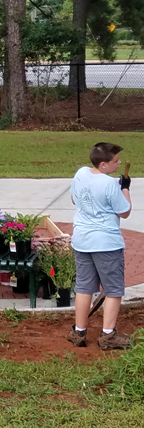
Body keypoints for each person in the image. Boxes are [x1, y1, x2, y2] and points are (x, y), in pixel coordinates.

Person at [67, 142, 133, 350]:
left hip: (82, 240)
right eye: (115, 161)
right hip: (106, 243)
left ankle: (79, 331)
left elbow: (74, 199)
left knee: (84, 286)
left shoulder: (81, 174)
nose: (119, 163)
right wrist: (125, 188)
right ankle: (108, 335)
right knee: (113, 289)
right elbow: (125, 211)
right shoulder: (110, 185)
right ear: (103, 164)